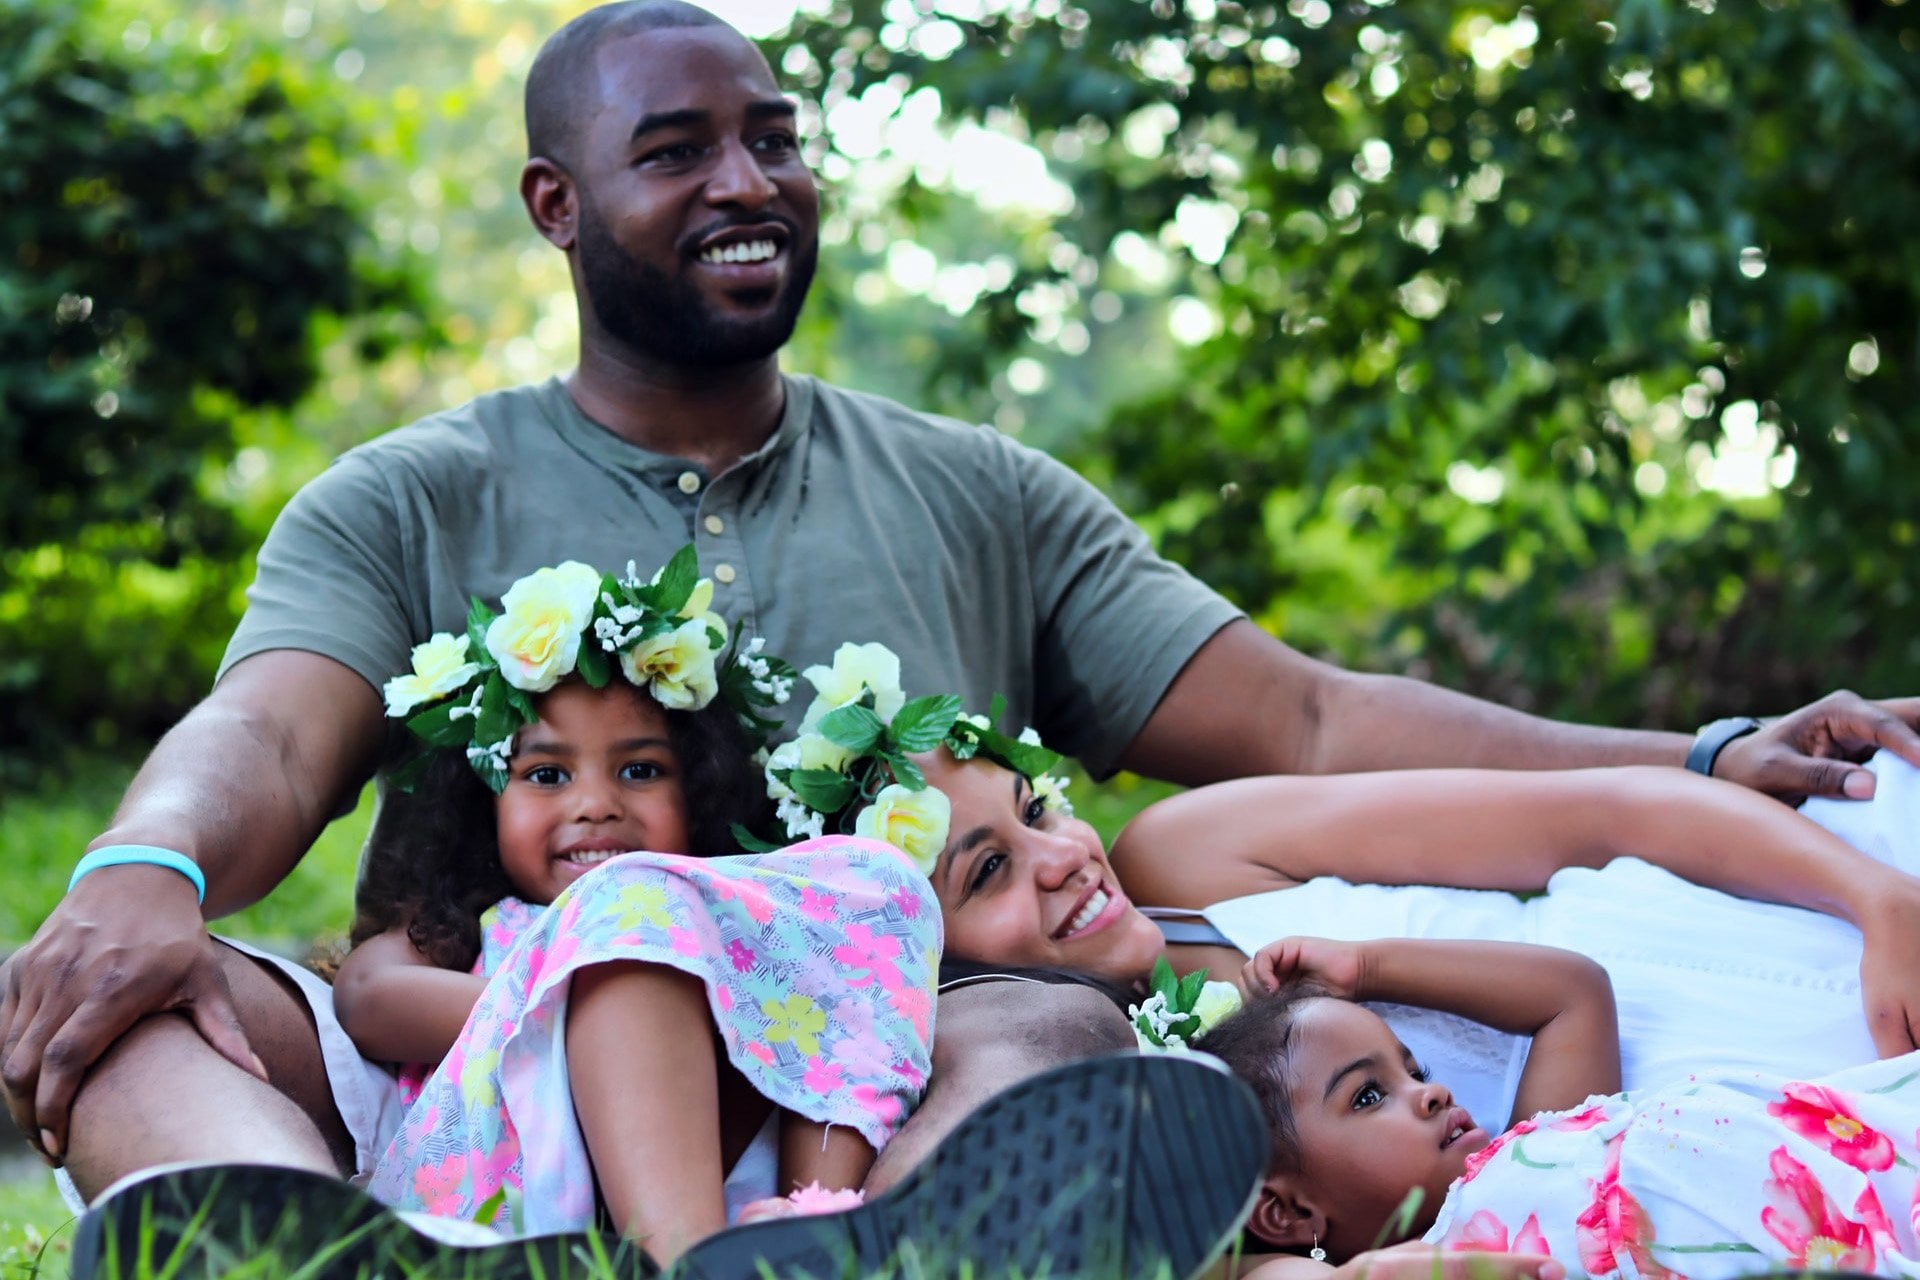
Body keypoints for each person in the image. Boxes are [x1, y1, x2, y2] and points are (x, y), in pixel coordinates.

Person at [7, 0, 1920, 1214]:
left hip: (905, 1078)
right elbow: (261, 729)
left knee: (1061, 1058)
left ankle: (844, 1258)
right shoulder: (418, 491)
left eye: (774, 136)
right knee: (134, 1017)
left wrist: (1702, 749)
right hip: (500, 1040)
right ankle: (311, 1248)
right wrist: (144, 871)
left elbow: (1313, 722)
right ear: (555, 205)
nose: (749, 179)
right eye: (677, 153)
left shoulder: (978, 489)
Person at [725, 646, 1920, 1192]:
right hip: (1707, 1132)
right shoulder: (1146, 1136)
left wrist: (1875, 897)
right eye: (988, 870)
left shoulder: (1186, 852)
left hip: (1776, 915)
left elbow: (1600, 814)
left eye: (1035, 806)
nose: (1064, 856)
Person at [331, 552, 937, 1266]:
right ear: (483, 801)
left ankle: (813, 1215)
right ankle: (692, 1261)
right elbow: (368, 996)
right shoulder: (475, 928)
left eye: (640, 770)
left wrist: (681, 1000)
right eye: (547, 774)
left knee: (874, 878)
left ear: (700, 790)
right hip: (499, 1202)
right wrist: (598, 990)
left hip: (724, 1163)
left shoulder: (707, 919)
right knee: (627, 920)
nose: (595, 805)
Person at [1201, 935, 1920, 1280]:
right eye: (1368, 1094)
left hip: (1866, 1150)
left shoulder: (1532, 1139)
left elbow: (1571, 992)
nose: (1432, 1091)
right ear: (1287, 1213)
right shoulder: (1439, 1264)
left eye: (1413, 1066)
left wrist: (1368, 969)